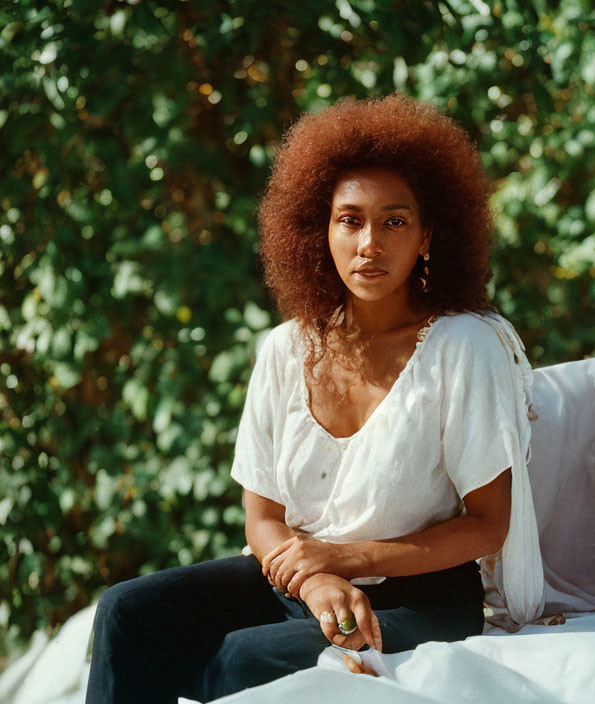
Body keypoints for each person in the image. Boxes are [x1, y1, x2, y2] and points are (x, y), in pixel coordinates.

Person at [85, 94, 543, 704]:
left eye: (395, 221)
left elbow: (489, 525)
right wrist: (321, 577)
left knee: (243, 659)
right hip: (300, 580)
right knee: (126, 612)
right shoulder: (285, 349)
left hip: (421, 598)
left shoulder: (463, 347)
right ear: (319, 229)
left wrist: (345, 558)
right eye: (350, 219)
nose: (370, 244)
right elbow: (263, 517)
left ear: (429, 236)